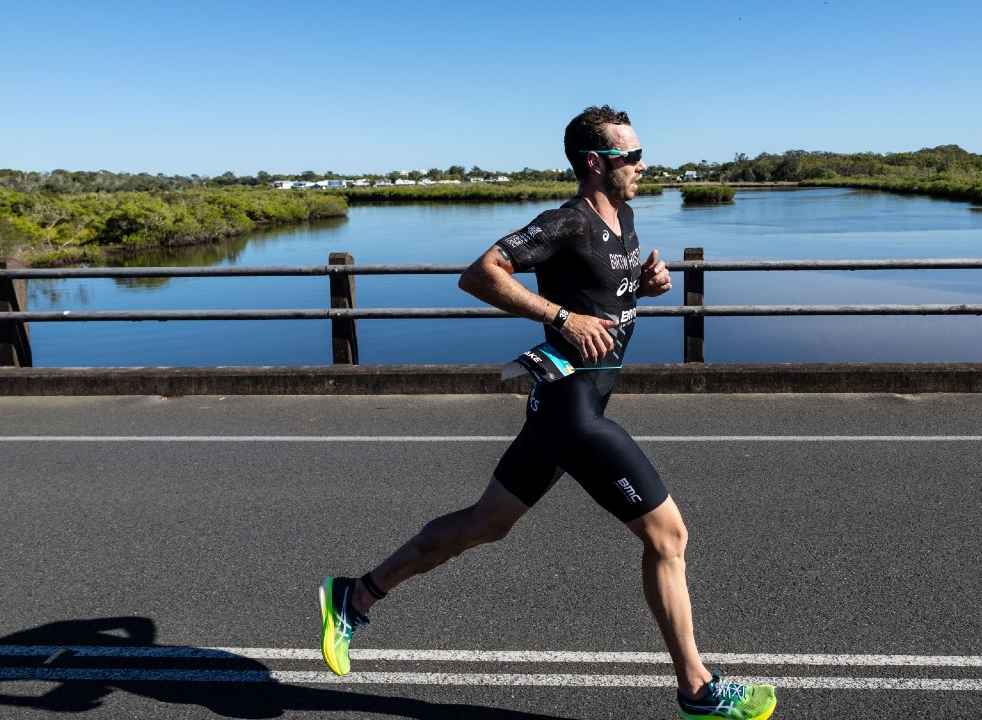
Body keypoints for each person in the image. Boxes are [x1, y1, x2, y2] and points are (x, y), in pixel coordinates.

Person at [318, 105, 777, 720]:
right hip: (571, 411)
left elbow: (601, 291)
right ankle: (696, 688)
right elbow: (480, 274)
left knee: (487, 523)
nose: (643, 165)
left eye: (641, 153)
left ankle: (354, 595)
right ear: (595, 163)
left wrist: (645, 285)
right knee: (668, 536)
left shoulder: (626, 218)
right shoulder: (567, 223)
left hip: (568, 402)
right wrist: (559, 318)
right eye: (630, 157)